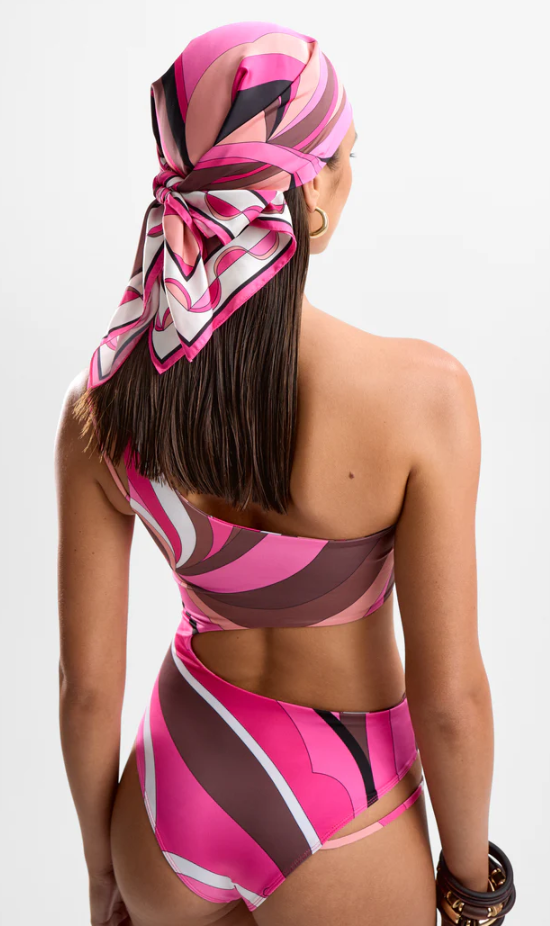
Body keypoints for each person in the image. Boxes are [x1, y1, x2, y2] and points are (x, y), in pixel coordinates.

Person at [55, 20, 515, 926]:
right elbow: (451, 697)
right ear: (308, 193)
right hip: (345, 809)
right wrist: (473, 886)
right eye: (346, 156)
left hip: (173, 794)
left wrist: (104, 874)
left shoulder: (101, 403)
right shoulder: (423, 396)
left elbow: (87, 689)